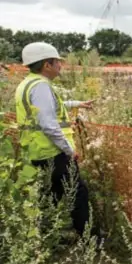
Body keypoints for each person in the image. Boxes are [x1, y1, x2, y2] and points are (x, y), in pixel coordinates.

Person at [15, 42, 94, 238]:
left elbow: (48, 106)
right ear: (46, 65)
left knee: (52, 194)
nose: (61, 65)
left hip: (39, 151)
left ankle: (41, 233)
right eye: (57, 62)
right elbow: (49, 124)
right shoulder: (41, 86)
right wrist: (69, 150)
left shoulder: (29, 83)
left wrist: (77, 104)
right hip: (53, 152)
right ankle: (90, 237)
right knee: (78, 194)